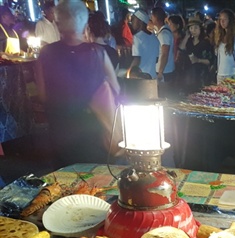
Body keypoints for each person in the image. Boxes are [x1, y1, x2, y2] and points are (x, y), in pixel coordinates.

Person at [36, 0, 120, 168]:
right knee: (98, 181)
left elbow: (43, 95)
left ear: (58, 24)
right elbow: (115, 89)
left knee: (66, 182)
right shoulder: (97, 52)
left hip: (60, 133)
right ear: (85, 24)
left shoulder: (45, 54)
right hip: (93, 132)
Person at [179, 18, 215, 92]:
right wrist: (186, 36)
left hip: (201, 74)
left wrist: (198, 60)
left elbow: (210, 61)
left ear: (200, 29)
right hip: (189, 74)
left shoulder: (205, 43)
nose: (193, 30)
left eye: (196, 28)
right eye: (191, 28)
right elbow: (181, 48)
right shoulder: (188, 42)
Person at [213, 9, 235, 83]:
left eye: (225, 19)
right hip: (220, 75)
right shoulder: (219, 38)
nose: (222, 22)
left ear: (230, 20)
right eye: (220, 19)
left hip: (232, 75)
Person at [128, 10, 159, 79]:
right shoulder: (155, 39)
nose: (131, 22)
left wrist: (129, 72)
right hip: (153, 76)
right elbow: (157, 59)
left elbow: (137, 59)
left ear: (140, 22)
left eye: (133, 20)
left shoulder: (137, 37)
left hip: (141, 77)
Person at [151, 7, 175, 87]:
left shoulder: (164, 34)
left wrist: (160, 72)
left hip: (165, 71)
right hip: (165, 70)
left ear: (156, 18)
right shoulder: (163, 31)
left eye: (152, 16)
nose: (151, 18)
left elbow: (165, 53)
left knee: (164, 94)